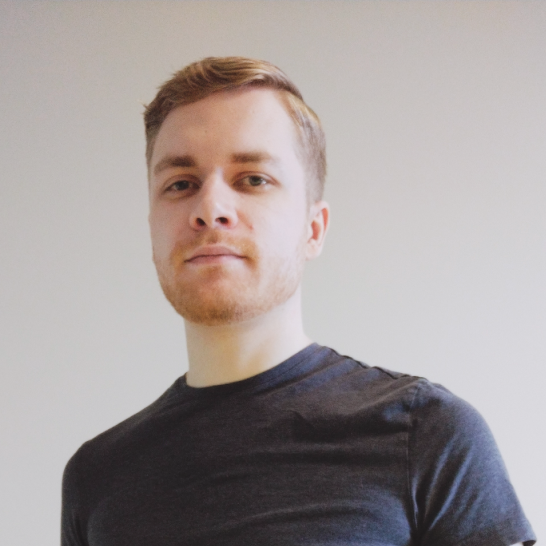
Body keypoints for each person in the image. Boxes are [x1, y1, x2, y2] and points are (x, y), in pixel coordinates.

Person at [61, 57, 535, 546]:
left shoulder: (427, 433)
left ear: (314, 228)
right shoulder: (95, 477)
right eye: (181, 184)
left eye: (253, 179)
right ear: (152, 229)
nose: (209, 208)